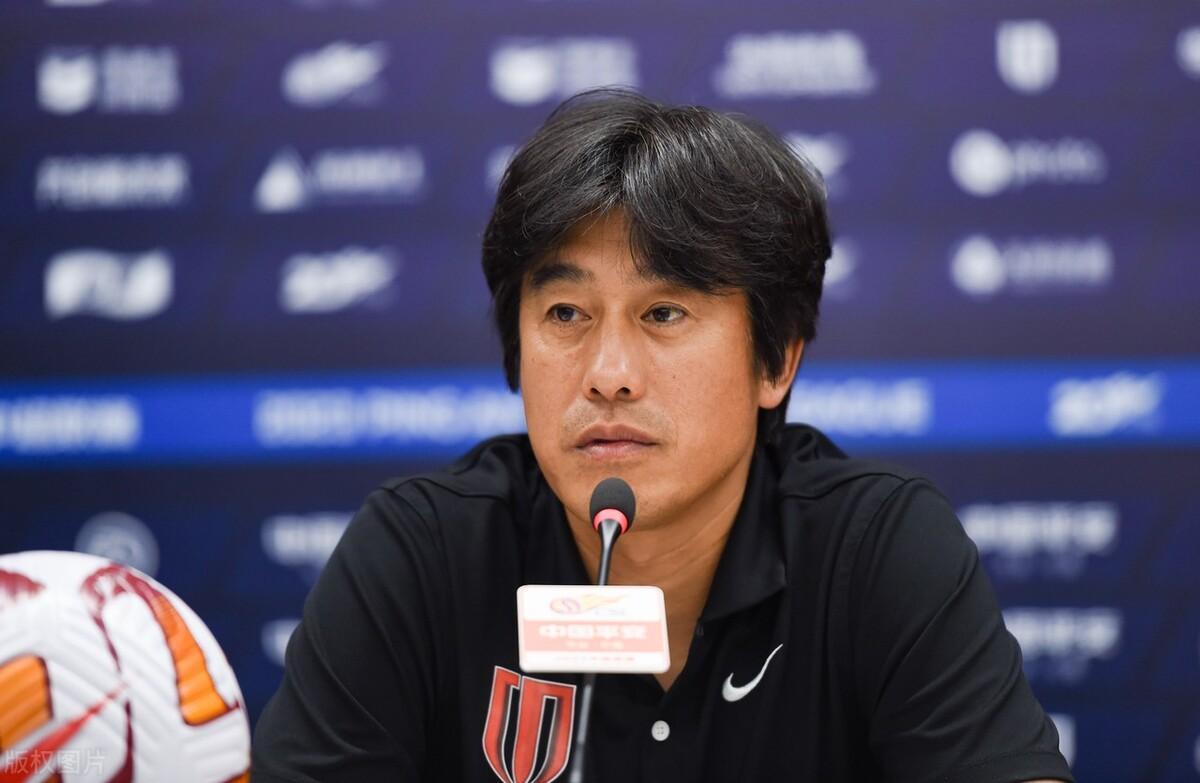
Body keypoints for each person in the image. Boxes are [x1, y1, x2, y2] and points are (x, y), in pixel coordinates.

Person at [252, 89, 1073, 783]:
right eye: (565, 313)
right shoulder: (421, 557)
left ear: (776, 359)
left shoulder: (877, 550)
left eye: (665, 312)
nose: (608, 373)